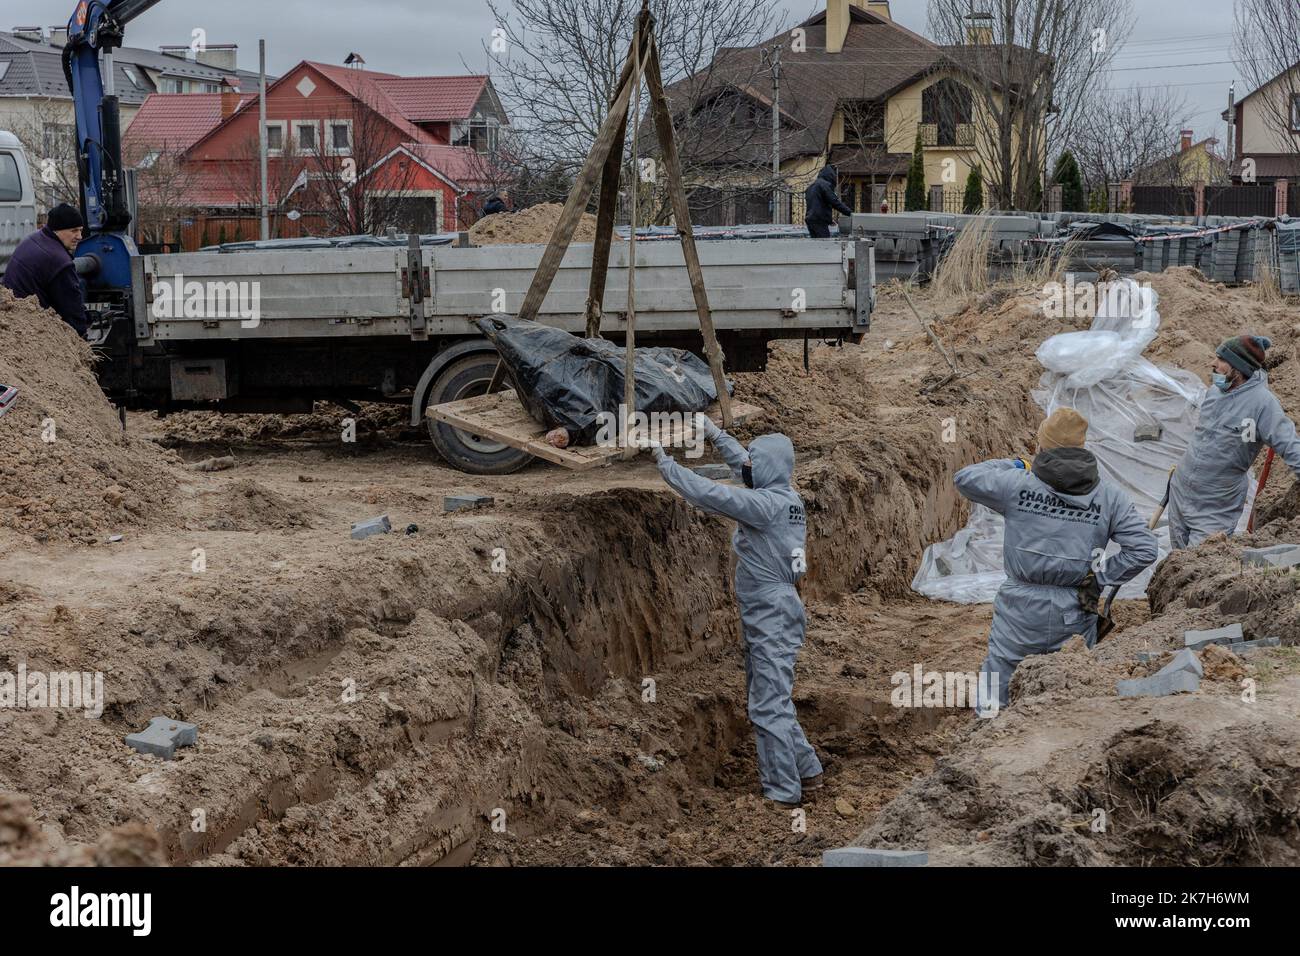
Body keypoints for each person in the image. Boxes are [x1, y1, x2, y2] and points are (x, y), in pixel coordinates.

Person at [651, 420, 822, 808]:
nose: (748, 467)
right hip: (775, 611)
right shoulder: (786, 497)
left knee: (766, 705)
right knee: (773, 698)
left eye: (756, 461)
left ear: (770, 468)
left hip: (771, 615)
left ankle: (782, 793)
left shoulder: (764, 506)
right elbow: (745, 468)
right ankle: (808, 772)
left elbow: (714, 495)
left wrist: (667, 466)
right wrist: (714, 434)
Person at [954, 408, 1157, 715]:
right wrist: (1100, 579)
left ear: (1042, 447)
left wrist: (1013, 464)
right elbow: (1143, 549)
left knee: (999, 684)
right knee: (1071, 686)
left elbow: (965, 478)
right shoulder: (1109, 497)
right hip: (1074, 609)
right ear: (1082, 448)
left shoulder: (1018, 484)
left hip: (1020, 610)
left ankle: (989, 741)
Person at [1167, 335, 1300, 550]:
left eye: (1221, 359)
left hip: (1214, 506)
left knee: (1196, 566)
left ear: (1239, 367)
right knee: (1175, 565)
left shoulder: (1263, 404)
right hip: (1180, 492)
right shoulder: (1214, 393)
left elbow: (1290, 445)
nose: (1213, 364)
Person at [1, 203, 90, 336]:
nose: (79, 236)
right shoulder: (59, 261)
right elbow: (72, 310)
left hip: (9, 316)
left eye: (80, 230)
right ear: (58, 230)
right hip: (30, 328)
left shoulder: (34, 238)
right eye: (74, 231)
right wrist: (83, 338)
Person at [803, 165, 852, 239]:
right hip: (819, 221)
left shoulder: (812, 186)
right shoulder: (824, 185)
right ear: (830, 176)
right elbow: (834, 201)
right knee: (825, 245)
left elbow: (817, 205)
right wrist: (849, 212)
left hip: (811, 220)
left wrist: (828, 219)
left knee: (816, 245)